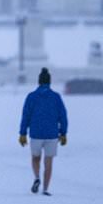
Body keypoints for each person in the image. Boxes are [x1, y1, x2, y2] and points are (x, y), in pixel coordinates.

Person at [19, 67, 68, 196]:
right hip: (52, 134)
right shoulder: (56, 97)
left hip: (36, 133)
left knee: (35, 158)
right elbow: (63, 116)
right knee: (48, 162)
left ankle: (36, 178)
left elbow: (26, 116)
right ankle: (45, 189)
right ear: (49, 82)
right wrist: (63, 133)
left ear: (39, 82)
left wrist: (22, 133)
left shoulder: (31, 97)